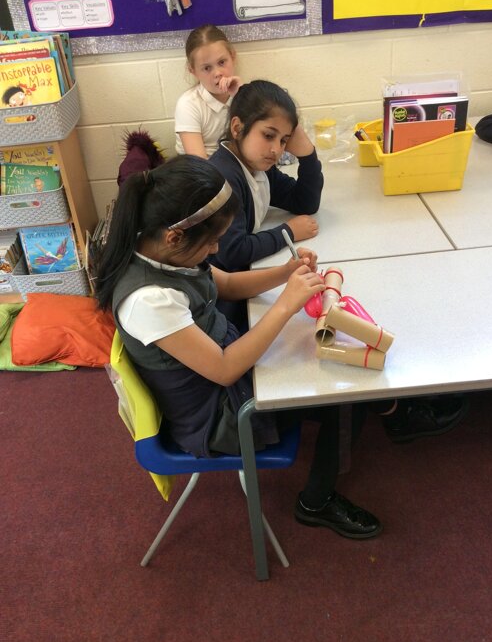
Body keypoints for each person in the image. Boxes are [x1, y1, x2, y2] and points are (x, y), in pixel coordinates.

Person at [96, 155, 383, 539]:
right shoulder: (148, 300)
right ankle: (316, 502)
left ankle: (390, 409)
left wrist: (286, 273)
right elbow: (225, 369)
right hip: (222, 417)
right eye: (212, 241)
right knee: (346, 396)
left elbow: (228, 284)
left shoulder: (164, 252)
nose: (216, 249)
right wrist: (285, 305)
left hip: (224, 374)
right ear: (175, 237)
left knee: (317, 361)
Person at [208, 79, 321, 327]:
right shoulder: (225, 177)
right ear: (237, 128)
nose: (276, 150)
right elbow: (233, 252)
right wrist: (288, 231)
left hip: (238, 283)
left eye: (284, 140)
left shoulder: (258, 167)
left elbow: (305, 202)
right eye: (269, 135)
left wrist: (308, 155)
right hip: (218, 302)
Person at [174, 24, 242, 159]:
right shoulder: (188, 104)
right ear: (193, 71)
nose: (217, 73)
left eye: (222, 62)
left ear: (232, 57)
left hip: (233, 163)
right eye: (207, 68)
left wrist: (242, 95)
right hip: (199, 168)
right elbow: (198, 163)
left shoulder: (242, 92)